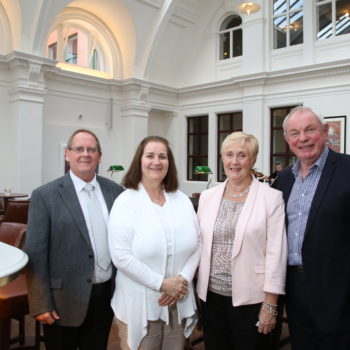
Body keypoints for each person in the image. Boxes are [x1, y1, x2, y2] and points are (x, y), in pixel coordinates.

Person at [25, 129, 124, 350]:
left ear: (100, 156)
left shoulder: (116, 192)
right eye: (79, 149)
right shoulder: (45, 195)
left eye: (91, 149)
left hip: (104, 297)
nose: (85, 154)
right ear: (67, 154)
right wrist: (40, 303)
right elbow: (35, 254)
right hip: (62, 301)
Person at [108, 136, 201, 350]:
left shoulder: (182, 200)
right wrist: (162, 284)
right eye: (150, 155)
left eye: (162, 156)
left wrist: (181, 280)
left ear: (169, 163)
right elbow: (121, 256)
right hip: (140, 303)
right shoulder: (126, 202)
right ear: (139, 161)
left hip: (178, 298)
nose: (156, 161)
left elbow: (199, 244)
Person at [196, 131, 287, 350]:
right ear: (222, 158)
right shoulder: (208, 196)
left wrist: (270, 304)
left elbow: (277, 253)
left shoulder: (271, 198)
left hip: (252, 299)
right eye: (229, 155)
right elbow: (197, 244)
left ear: (253, 160)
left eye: (242, 155)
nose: (234, 161)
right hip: (211, 297)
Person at [273, 106, 350, 349]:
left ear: (325, 132)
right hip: (294, 289)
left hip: (339, 291)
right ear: (287, 140)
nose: (303, 138)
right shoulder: (283, 180)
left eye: (310, 130)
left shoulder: (347, 169)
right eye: (294, 133)